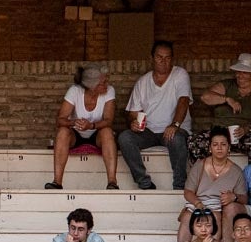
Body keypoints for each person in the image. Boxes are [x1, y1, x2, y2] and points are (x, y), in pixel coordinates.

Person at [118, 40, 192, 191]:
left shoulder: (180, 74)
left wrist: (175, 125)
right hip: (149, 132)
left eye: (168, 57)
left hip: (173, 130)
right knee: (125, 137)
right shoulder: (142, 82)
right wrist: (133, 122)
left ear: (172, 59)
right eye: (159, 57)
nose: (163, 61)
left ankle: (179, 186)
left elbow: (183, 100)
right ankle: (144, 183)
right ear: (151, 58)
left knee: (177, 139)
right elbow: (133, 112)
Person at [46, 63, 118, 190]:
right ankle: (57, 182)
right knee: (62, 132)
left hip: (97, 134)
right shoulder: (74, 91)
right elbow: (60, 120)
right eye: (103, 82)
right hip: (76, 133)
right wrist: (75, 122)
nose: (107, 84)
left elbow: (108, 121)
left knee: (107, 131)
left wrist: (91, 125)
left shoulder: (109, 91)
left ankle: (112, 182)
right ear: (92, 86)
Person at [179, 128, 248, 242]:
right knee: (187, 216)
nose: (219, 148)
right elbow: (188, 192)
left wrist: (234, 196)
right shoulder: (199, 165)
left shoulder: (236, 171)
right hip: (200, 204)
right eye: (215, 144)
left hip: (221, 207)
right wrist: (198, 203)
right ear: (210, 148)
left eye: (223, 144)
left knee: (216, 215)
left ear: (229, 147)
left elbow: (244, 199)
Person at [191, 53, 251, 160]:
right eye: (238, 71)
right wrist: (227, 99)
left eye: (244, 72)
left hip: (243, 135)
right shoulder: (227, 85)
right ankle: (204, 174)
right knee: (194, 142)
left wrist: (246, 128)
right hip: (219, 132)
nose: (240, 75)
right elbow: (205, 97)